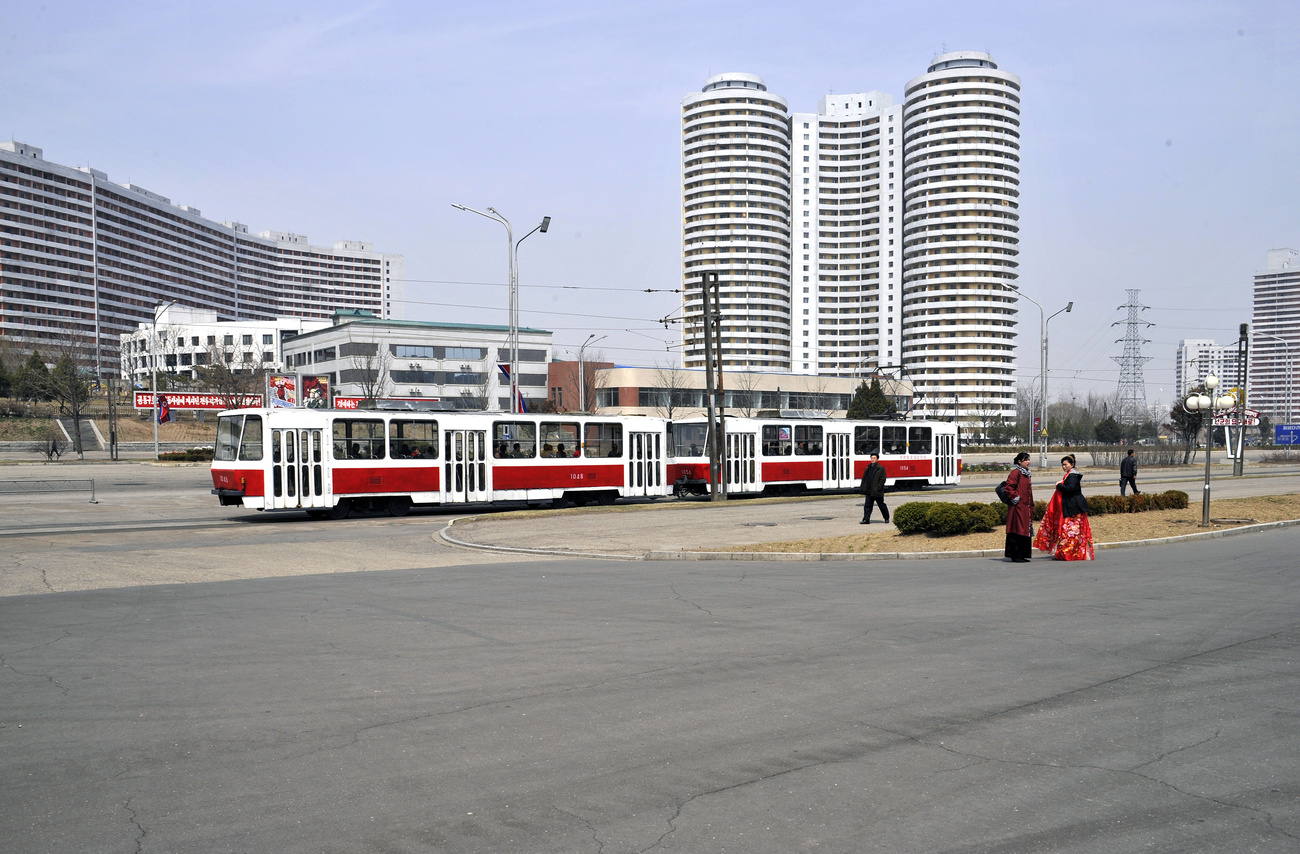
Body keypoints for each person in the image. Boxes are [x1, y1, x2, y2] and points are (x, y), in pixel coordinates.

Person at [1034, 454, 1095, 561]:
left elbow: (1070, 489)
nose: (1064, 467)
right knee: (1072, 532)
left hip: (1073, 508)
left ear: (1072, 464)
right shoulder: (1070, 475)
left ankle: (1069, 553)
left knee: (1070, 532)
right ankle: (1069, 553)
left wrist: (1059, 485)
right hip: (1072, 506)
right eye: (1062, 465)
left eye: (1066, 464)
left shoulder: (1073, 476)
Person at [1004, 452, 1034, 562]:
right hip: (1018, 507)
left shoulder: (1026, 473)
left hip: (1026, 507)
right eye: (1026, 460)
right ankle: (1015, 555)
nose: (1028, 462)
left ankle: (1022, 554)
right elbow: (1009, 487)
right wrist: (1016, 498)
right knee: (1017, 530)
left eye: (1029, 459)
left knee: (1024, 530)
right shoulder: (1016, 473)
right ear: (1019, 461)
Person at [859, 453, 889, 525]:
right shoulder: (868, 468)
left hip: (877, 491)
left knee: (881, 505)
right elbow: (865, 478)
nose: (872, 459)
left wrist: (879, 487)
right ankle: (866, 519)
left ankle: (886, 517)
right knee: (867, 506)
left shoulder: (880, 468)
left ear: (877, 459)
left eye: (874, 458)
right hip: (869, 490)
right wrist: (864, 487)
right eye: (871, 458)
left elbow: (883, 479)